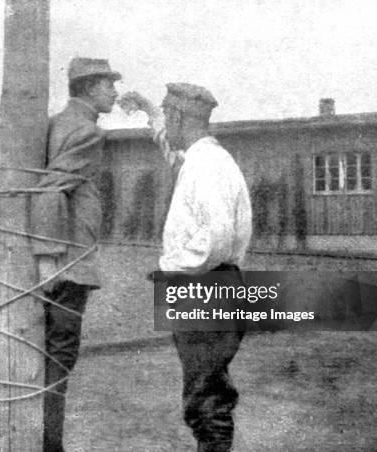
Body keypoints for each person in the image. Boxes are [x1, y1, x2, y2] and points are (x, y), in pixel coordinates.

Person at [122, 84, 252, 451]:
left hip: (206, 287)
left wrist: (172, 266)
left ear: (178, 117)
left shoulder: (206, 166)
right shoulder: (201, 158)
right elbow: (170, 148)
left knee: (205, 401)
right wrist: (149, 112)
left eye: (167, 114)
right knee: (205, 393)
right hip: (213, 284)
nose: (165, 122)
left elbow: (217, 239)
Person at [30, 57, 120, 452]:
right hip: (70, 266)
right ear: (87, 89)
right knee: (61, 358)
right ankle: (51, 446)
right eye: (107, 85)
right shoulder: (86, 132)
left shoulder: (57, 124)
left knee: (47, 354)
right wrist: (49, 258)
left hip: (61, 261)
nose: (114, 92)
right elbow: (52, 190)